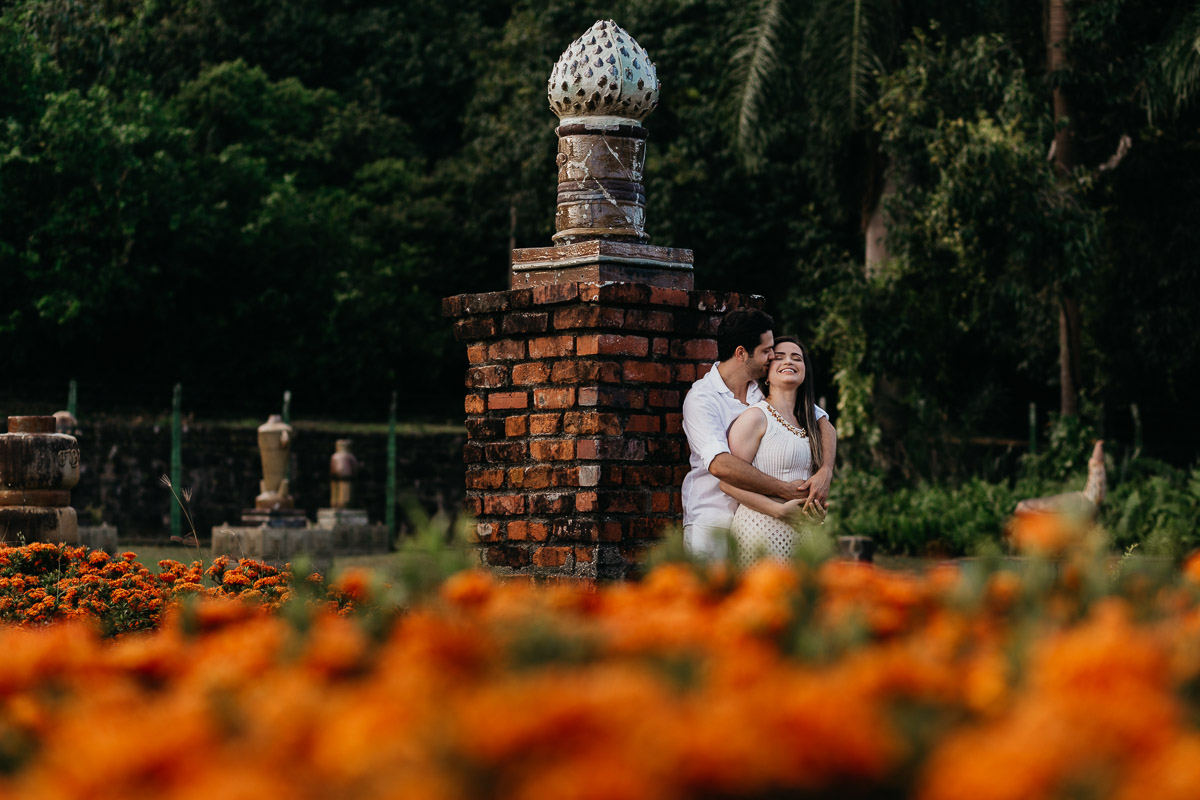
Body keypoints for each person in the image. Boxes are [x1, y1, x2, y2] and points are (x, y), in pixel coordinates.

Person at [681, 310, 836, 560]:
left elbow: (822, 422)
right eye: (766, 351)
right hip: (714, 521)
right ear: (741, 353)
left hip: (757, 517)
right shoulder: (702, 399)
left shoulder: (759, 390)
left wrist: (825, 471)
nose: (772, 356)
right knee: (711, 597)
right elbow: (720, 465)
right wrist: (785, 490)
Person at [719, 337, 826, 566]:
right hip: (759, 530)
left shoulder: (810, 422)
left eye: (797, 358)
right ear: (766, 375)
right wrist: (778, 510)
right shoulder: (756, 417)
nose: (789, 361)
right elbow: (727, 483)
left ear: (805, 371)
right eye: (780, 357)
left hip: (800, 535)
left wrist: (815, 511)